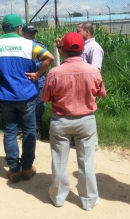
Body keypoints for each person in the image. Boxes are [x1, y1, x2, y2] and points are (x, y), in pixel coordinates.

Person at [0, 14, 54, 183]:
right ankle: (27, 168)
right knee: (29, 130)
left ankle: (14, 170)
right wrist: (37, 74)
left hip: (4, 94)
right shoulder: (30, 45)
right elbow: (49, 58)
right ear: (19, 28)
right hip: (27, 95)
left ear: (3, 28)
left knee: (9, 131)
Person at [41, 32, 107, 211]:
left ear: (63, 50)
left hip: (60, 120)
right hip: (86, 120)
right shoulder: (93, 70)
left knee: (59, 160)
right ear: (82, 49)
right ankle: (88, 200)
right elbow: (101, 93)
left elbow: (45, 98)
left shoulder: (55, 72)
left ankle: (58, 197)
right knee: (86, 161)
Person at [55, 22, 104, 149]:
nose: (76, 33)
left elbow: (96, 70)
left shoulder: (94, 47)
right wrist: (60, 47)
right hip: (73, 84)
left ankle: (92, 142)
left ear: (87, 32)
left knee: (86, 112)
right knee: (74, 110)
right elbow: (66, 59)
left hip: (85, 85)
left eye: (78, 31)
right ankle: (75, 138)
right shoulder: (80, 46)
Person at [22, 24, 46, 139]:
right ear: (23, 33)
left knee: (39, 105)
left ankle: (37, 128)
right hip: (24, 81)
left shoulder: (39, 45)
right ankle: (24, 128)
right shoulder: (19, 46)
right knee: (24, 106)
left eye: (33, 33)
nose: (32, 35)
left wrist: (30, 66)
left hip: (38, 80)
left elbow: (45, 61)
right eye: (29, 33)